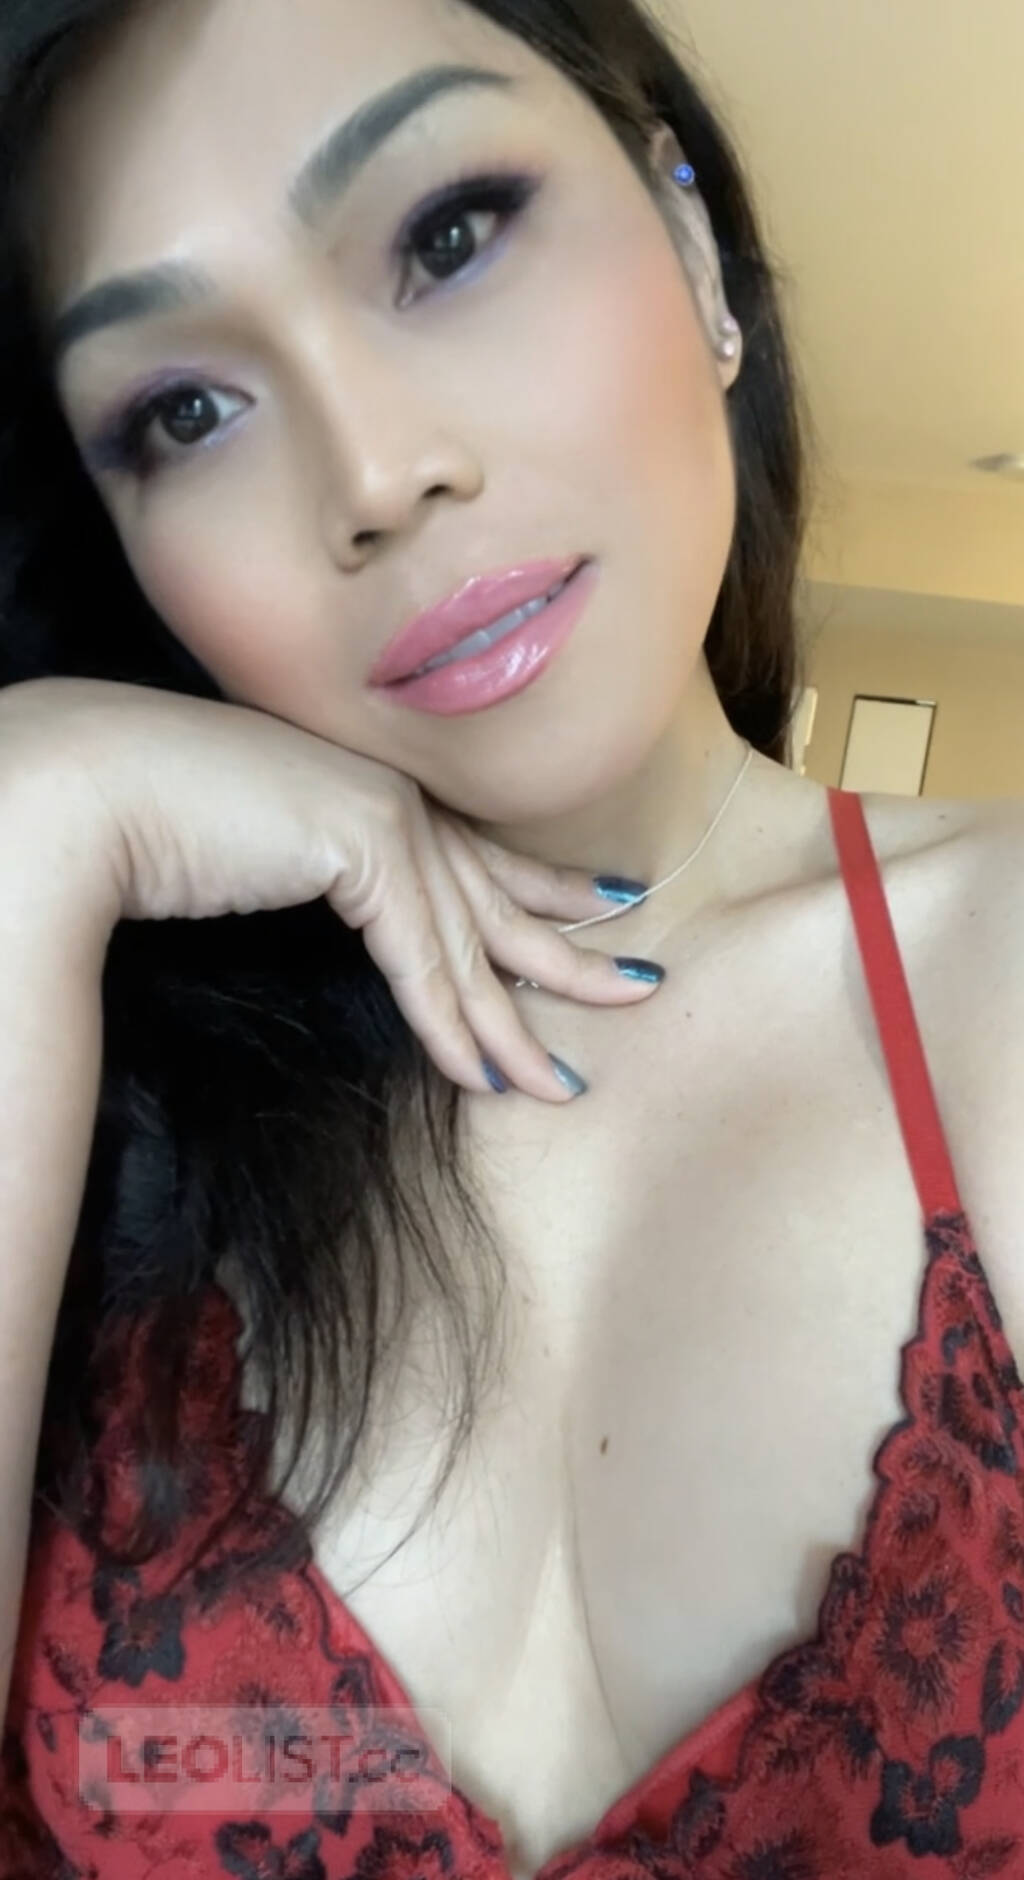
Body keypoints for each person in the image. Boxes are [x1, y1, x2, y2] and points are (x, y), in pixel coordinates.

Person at [2, 0, 1024, 1875]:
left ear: (692, 241)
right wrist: (40, 811)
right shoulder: (63, 1059)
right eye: (182, 413)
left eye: (449, 234)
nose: (375, 474)